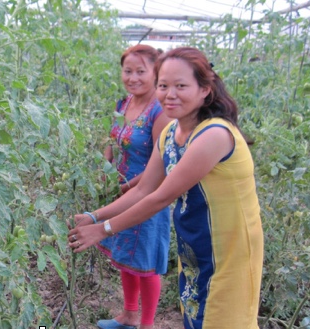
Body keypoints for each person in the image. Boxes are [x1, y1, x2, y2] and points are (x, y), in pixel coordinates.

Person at [69, 47, 264, 329]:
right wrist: (93, 216)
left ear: (205, 90)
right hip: (197, 242)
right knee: (196, 312)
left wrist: (102, 229)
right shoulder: (172, 134)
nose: (169, 94)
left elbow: (161, 197)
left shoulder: (215, 135)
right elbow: (142, 189)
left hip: (229, 249)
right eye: (163, 85)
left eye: (181, 86)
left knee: (221, 319)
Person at [93, 44, 172, 329]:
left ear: (156, 73)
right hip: (122, 190)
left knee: (146, 263)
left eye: (141, 71)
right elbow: (110, 139)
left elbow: (161, 159)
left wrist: (133, 185)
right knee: (125, 255)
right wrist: (105, 170)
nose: (133, 77)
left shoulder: (160, 111)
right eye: (128, 71)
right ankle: (128, 315)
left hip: (148, 192)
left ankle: (146, 324)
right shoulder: (123, 104)